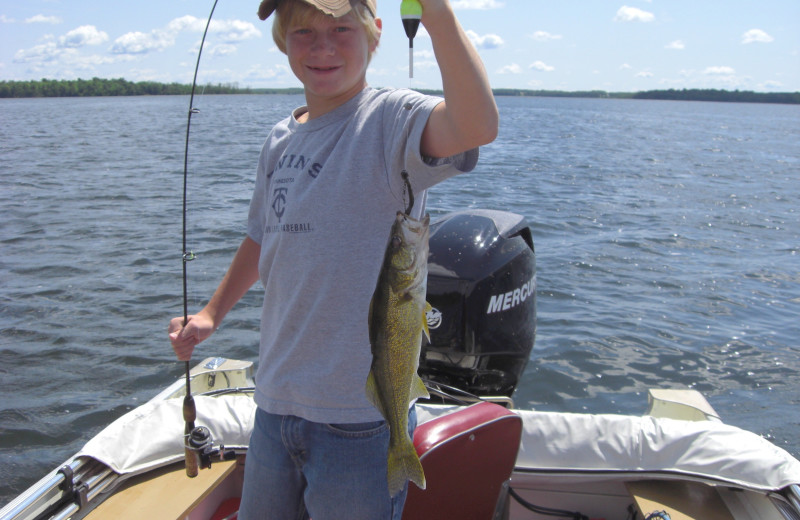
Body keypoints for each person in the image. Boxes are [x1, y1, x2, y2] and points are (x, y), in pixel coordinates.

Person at [168, 0, 497, 518]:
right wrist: (212, 313)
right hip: (275, 403)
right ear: (282, 40)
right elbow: (262, 236)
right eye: (304, 31)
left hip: (360, 421)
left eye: (342, 28)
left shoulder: (392, 120)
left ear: (374, 34)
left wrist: (435, 13)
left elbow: (476, 125)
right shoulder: (280, 140)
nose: (323, 46)